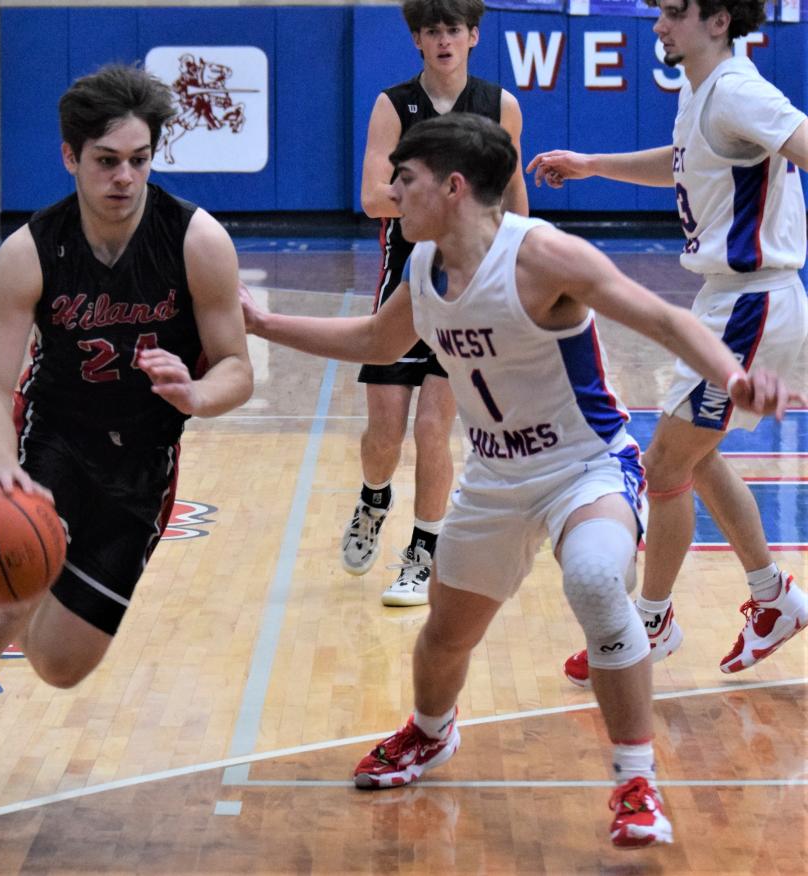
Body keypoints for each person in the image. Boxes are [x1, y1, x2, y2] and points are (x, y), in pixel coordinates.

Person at [241, 113, 801, 848]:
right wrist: (260, 321)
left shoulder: (542, 257)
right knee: (444, 637)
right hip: (496, 478)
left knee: (599, 580)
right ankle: (431, 732)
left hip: (585, 467)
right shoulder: (423, 265)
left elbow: (662, 319)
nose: (389, 192)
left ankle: (636, 782)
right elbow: (376, 341)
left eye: (403, 180)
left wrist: (732, 376)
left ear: (453, 186)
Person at [0, 64, 253, 854]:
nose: (125, 176)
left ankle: (33, 598)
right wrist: (3, 468)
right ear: (70, 157)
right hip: (52, 448)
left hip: (142, 469)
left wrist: (197, 396)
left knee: (63, 666)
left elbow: (236, 364)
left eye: (139, 158)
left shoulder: (197, 240)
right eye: (107, 160)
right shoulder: (31, 250)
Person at [526, 0, 808, 687]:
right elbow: (684, 161)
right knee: (696, 459)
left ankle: (651, 622)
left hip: (752, 303)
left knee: (663, 464)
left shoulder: (739, 89)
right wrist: (594, 164)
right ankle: (773, 599)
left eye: (674, 11)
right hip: (727, 302)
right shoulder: (703, 90)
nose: (658, 26)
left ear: (719, 19)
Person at [346, 0, 529, 607]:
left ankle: (422, 555)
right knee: (384, 433)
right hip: (406, 282)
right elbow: (374, 197)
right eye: (431, 31)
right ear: (418, 41)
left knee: (434, 428)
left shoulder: (500, 105)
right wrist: (442, 206)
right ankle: (374, 498)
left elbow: (514, 202)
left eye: (453, 29)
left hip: (468, 289)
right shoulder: (394, 106)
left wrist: (520, 270)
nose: (443, 39)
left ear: (473, 35)